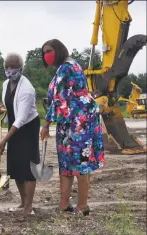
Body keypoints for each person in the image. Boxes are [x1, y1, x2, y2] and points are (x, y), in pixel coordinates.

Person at [40, 39, 105, 216]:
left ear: (58, 50)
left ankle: (82, 205)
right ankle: (64, 204)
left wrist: (46, 124)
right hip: (70, 122)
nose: (46, 55)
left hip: (78, 122)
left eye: (49, 51)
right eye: (44, 52)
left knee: (80, 162)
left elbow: (59, 100)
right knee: (67, 163)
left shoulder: (66, 68)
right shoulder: (69, 65)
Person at [0, 53, 40, 216]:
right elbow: (10, 108)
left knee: (28, 167)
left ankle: (29, 207)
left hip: (28, 127)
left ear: (20, 68)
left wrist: (5, 140)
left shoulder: (27, 89)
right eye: (7, 66)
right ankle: (22, 202)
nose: (10, 70)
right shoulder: (6, 84)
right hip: (14, 126)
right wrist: (2, 114)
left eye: (13, 66)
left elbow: (21, 118)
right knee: (15, 166)